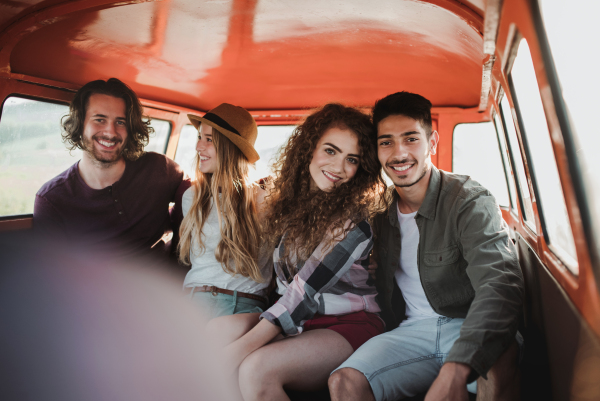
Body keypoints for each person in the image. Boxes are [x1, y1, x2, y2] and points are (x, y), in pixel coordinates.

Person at [328, 91, 525, 401]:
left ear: (432, 142)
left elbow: (499, 284)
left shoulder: (469, 200)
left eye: (410, 139)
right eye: (386, 142)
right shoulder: (377, 213)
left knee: (497, 365)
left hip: (468, 324)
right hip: (411, 330)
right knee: (343, 383)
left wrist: (457, 367)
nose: (399, 153)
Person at [207, 103, 386, 400]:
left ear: (361, 167)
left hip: (349, 323)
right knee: (217, 331)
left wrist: (236, 352)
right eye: (330, 151)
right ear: (308, 150)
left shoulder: (355, 221)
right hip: (299, 319)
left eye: (351, 159)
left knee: (255, 369)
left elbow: (302, 293)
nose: (339, 167)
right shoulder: (287, 202)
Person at [33, 78, 189, 260]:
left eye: (120, 122)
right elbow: (52, 273)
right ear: (80, 123)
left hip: (166, 285)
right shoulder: (53, 199)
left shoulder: (159, 169)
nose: (110, 132)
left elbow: (197, 195)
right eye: (100, 120)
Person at [179, 103, 271, 318]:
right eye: (199, 137)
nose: (198, 147)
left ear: (230, 147)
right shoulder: (192, 197)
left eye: (209, 139)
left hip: (242, 303)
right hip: (191, 299)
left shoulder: (264, 200)